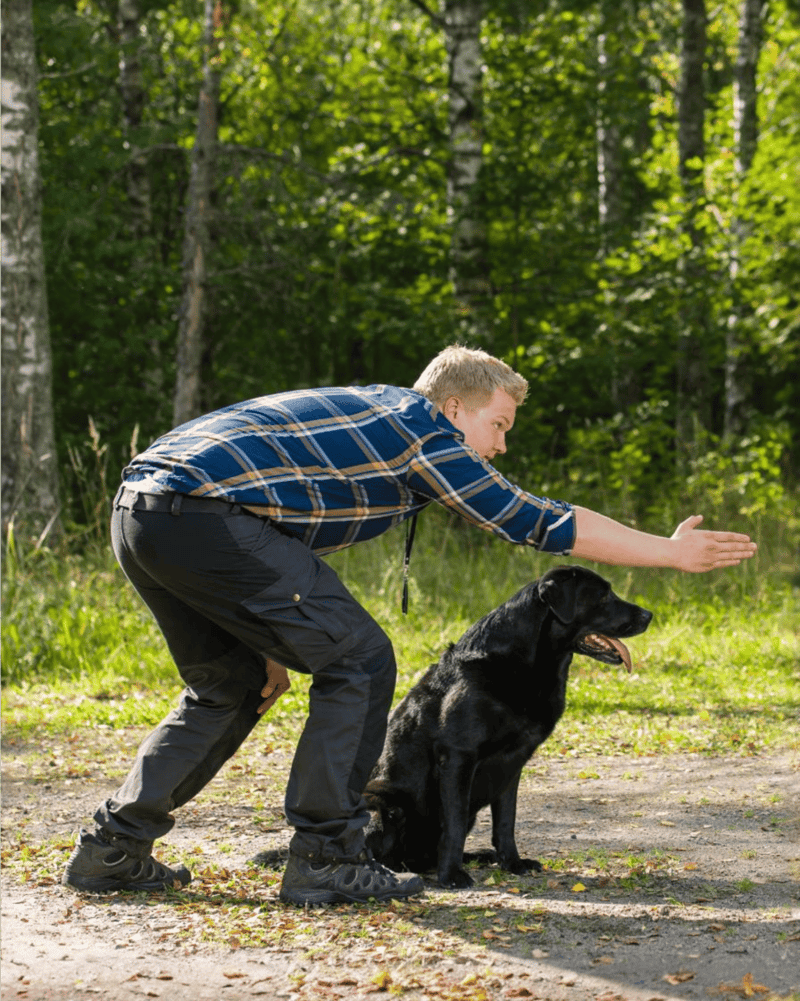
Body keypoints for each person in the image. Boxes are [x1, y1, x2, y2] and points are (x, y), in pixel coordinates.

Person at [62, 345, 757, 905]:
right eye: (499, 426)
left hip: (146, 511)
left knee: (231, 685)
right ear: (455, 407)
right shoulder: (422, 429)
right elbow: (534, 519)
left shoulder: (372, 422)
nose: (501, 446)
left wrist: (260, 644)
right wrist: (668, 552)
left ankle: (112, 849)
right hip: (202, 515)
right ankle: (328, 858)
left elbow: (266, 522)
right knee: (360, 660)